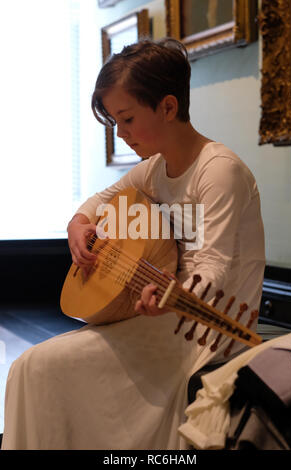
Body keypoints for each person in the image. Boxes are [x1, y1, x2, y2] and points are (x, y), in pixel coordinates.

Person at [1, 38, 265, 450]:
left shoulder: (219, 171)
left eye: (126, 119)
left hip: (208, 329)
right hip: (164, 315)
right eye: (114, 121)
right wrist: (78, 223)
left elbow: (212, 270)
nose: (120, 134)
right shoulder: (155, 170)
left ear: (168, 107)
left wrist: (173, 296)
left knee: (40, 367)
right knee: (31, 367)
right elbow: (101, 200)